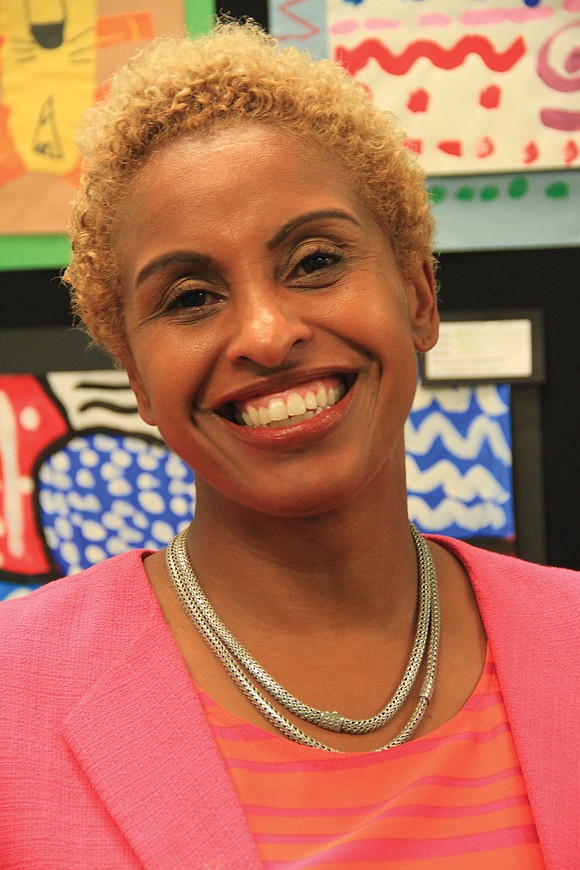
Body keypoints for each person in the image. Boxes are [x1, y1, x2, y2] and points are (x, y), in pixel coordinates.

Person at [0, 20, 578, 869]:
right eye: (191, 298)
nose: (267, 335)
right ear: (134, 375)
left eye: (314, 260)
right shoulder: (16, 693)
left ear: (419, 296)